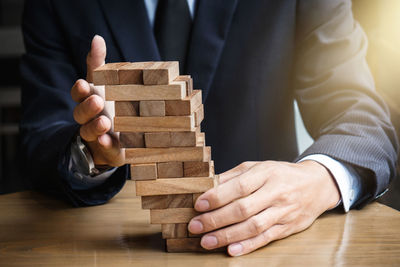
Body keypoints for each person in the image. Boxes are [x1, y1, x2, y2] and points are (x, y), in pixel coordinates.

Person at [20, 0, 398, 256]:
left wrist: (318, 180)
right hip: (116, 250)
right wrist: (91, 154)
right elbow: (40, 135)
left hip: (268, 251)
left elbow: (363, 117)